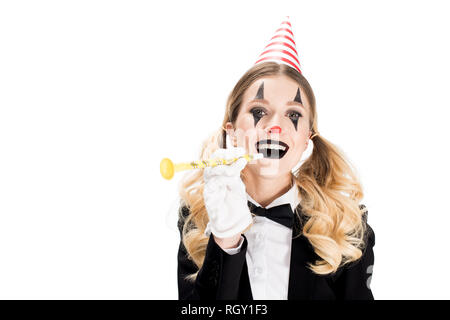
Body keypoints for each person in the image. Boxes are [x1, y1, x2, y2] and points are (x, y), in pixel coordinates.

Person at [176, 17, 375, 300]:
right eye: (259, 111)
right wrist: (224, 238)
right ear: (231, 131)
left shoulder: (346, 224)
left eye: (293, 114)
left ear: (307, 136)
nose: (275, 127)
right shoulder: (197, 218)